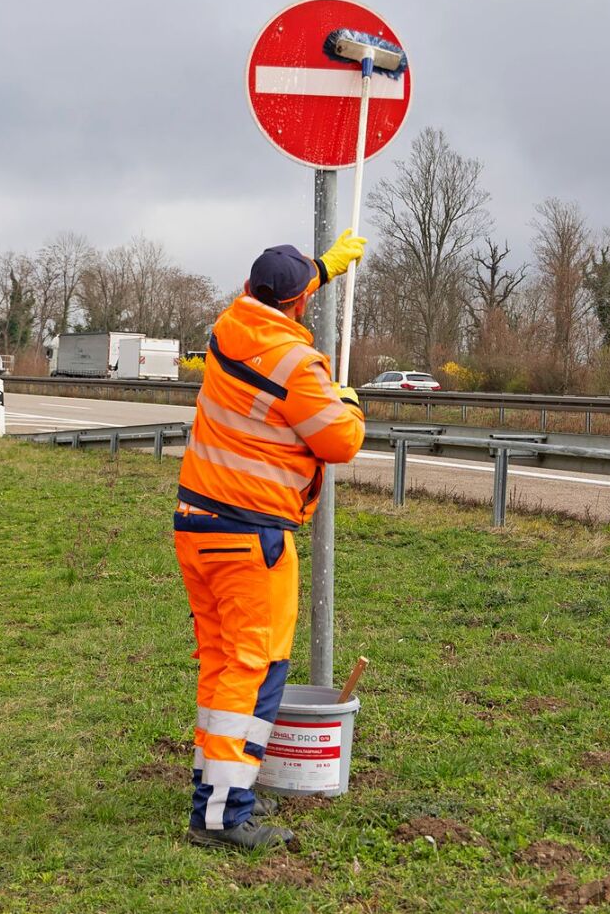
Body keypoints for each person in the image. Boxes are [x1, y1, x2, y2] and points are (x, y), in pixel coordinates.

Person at [174, 229, 366, 851]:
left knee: (220, 663)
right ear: (298, 306)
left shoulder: (230, 324)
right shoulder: (297, 365)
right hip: (251, 537)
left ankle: (212, 785)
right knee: (254, 674)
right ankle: (223, 815)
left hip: (196, 527)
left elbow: (286, 284)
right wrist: (349, 401)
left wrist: (327, 266)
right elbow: (340, 443)